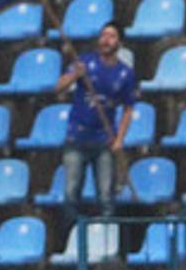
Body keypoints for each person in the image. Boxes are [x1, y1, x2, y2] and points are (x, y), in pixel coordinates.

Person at [54, 23, 136, 212]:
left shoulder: (125, 73)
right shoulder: (84, 62)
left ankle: (106, 238)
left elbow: (128, 109)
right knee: (71, 193)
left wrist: (120, 140)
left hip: (104, 141)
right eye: (103, 36)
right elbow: (58, 87)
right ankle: (71, 237)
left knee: (106, 196)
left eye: (111, 36)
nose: (106, 40)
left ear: (119, 42)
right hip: (77, 138)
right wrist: (76, 75)